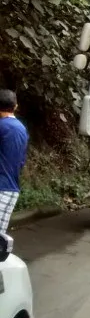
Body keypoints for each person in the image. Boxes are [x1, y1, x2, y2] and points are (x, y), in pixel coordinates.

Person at [0, 90, 28, 234]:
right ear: (15, 106)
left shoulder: (2, 127)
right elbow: (21, 161)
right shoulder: (22, 129)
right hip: (11, 189)